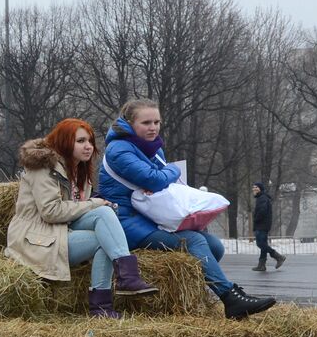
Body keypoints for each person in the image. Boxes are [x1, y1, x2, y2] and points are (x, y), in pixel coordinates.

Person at [98, 99, 275, 320]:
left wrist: (163, 177)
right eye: (146, 122)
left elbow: (159, 181)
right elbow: (154, 180)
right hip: (126, 222)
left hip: (149, 217)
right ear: (129, 124)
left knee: (215, 246)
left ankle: (208, 294)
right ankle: (230, 298)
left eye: (157, 122)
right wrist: (171, 171)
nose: (153, 127)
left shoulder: (151, 148)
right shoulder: (119, 150)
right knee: (193, 241)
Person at [5, 118, 158, 319]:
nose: (88, 146)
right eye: (81, 141)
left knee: (105, 215)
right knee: (103, 230)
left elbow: (76, 208)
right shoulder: (42, 168)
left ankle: (120, 287)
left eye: (90, 141)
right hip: (36, 237)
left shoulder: (79, 169)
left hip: (62, 229)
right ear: (65, 142)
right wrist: (95, 203)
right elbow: (50, 211)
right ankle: (112, 295)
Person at [251, 182, 286, 271]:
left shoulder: (262, 198)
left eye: (256, 187)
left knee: (260, 244)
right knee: (264, 244)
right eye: (253, 187)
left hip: (262, 225)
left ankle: (278, 256)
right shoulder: (261, 198)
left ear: (261, 189)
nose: (254, 189)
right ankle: (262, 265)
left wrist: (256, 219)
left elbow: (262, 211)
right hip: (264, 224)